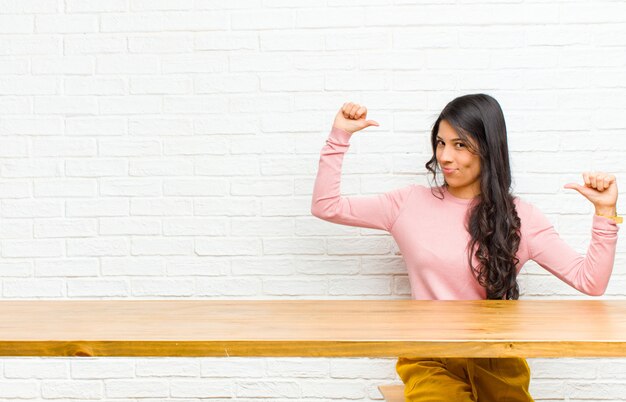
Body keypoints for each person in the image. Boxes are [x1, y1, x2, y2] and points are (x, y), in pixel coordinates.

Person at [310, 94, 621, 402]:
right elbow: (327, 206)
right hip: (429, 357)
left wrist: (605, 213)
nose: (445, 156)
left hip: (497, 360)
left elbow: (590, 281)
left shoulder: (521, 217)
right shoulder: (407, 203)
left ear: (488, 149)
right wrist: (340, 136)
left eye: (460, 145)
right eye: (441, 143)